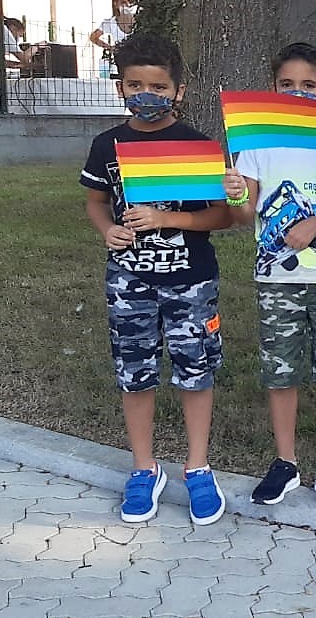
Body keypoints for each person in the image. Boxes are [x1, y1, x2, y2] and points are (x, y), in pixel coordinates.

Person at [80, 32, 232, 525]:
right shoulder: (106, 145)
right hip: (129, 282)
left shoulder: (198, 146)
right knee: (135, 372)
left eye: (159, 87)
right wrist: (107, 230)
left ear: (179, 91)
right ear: (120, 87)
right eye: (135, 85)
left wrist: (167, 219)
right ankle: (144, 468)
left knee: (195, 370)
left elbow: (222, 216)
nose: (147, 95)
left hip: (191, 281)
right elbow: (96, 201)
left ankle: (198, 467)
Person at [220, 43, 316, 508]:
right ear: (273, 89)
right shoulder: (256, 144)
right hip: (275, 280)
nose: (297, 92)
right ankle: (284, 463)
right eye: (287, 85)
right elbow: (244, 214)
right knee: (280, 371)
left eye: (308, 85)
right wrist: (234, 193)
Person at [90, 0, 136, 77]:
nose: (127, 4)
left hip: (139, 57)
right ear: (115, 4)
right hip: (122, 59)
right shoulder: (110, 23)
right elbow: (93, 37)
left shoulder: (139, 19)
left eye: (129, 1)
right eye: (123, 1)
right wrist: (111, 48)